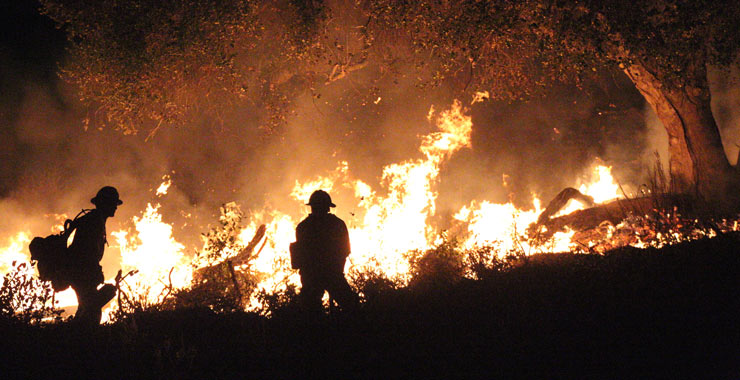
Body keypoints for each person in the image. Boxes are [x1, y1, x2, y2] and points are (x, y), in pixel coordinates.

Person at [292, 190, 359, 313]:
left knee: (309, 312)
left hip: (311, 276)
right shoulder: (337, 224)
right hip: (332, 274)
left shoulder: (303, 227)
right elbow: (345, 250)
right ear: (328, 207)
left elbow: (301, 255)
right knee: (352, 307)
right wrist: (337, 270)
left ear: (311, 207)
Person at [67, 186, 120, 327]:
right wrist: (94, 273)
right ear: (104, 204)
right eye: (113, 203)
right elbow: (86, 252)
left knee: (86, 307)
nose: (115, 207)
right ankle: (84, 341)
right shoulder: (94, 222)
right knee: (91, 312)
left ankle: (75, 335)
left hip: (82, 274)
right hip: (82, 274)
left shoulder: (96, 220)